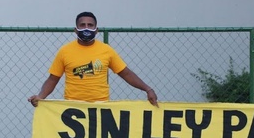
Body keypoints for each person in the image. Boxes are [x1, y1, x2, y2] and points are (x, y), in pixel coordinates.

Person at [27, 11, 159, 107]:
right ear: (75, 29)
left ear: (96, 30)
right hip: (72, 107)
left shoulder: (107, 50)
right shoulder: (64, 51)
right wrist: (40, 97)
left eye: (90, 25)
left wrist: (148, 89)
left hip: (101, 107)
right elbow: (53, 79)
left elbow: (126, 73)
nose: (86, 28)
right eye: (82, 25)